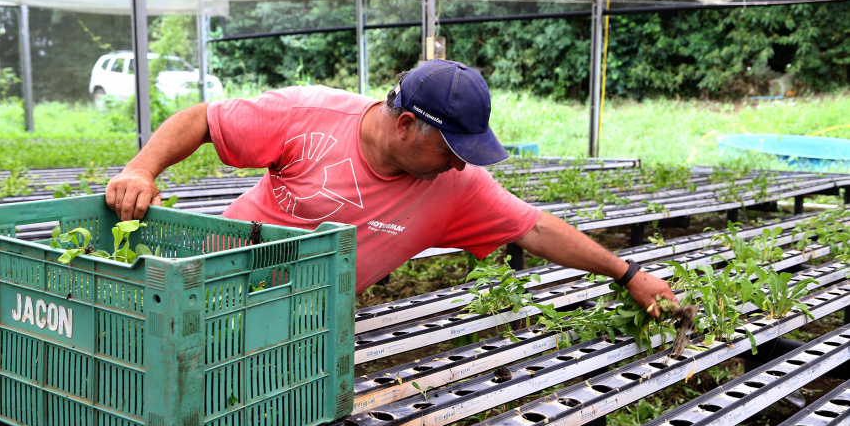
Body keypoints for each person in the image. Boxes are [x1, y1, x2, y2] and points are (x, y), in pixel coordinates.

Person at [106, 59, 677, 315]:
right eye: (451, 151)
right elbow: (205, 119)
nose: (459, 167)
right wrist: (140, 170)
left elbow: (535, 229)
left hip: (308, 319)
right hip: (214, 282)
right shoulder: (308, 114)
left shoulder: (458, 185)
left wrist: (628, 274)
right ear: (406, 125)